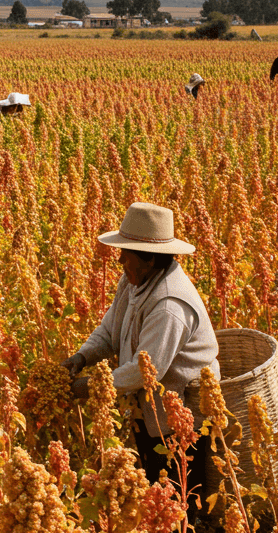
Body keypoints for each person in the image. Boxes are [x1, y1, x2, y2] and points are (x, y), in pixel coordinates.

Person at [62, 203, 220, 495]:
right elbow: (110, 330)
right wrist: (81, 357)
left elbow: (143, 372)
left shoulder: (170, 306)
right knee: (155, 488)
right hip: (151, 415)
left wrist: (85, 388)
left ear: (149, 259)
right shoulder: (135, 280)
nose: (120, 258)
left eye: (126, 253)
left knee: (178, 497)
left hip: (180, 420)